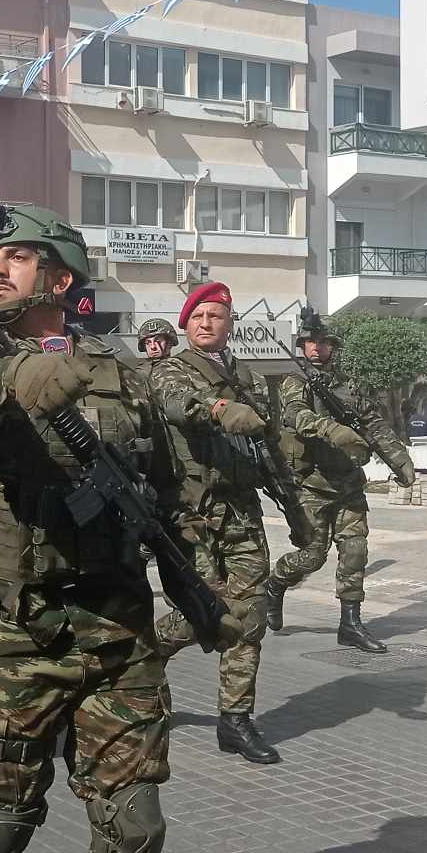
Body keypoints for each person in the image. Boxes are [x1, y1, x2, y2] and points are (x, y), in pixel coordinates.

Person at [0, 204, 177, 853]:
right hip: (22, 632)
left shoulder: (118, 368)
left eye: (16, 257)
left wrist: (204, 586)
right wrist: (22, 375)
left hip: (119, 630)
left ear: (61, 279)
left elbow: (168, 483)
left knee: (136, 829)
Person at [147, 283, 285, 765]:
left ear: (230, 324)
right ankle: (143, 656)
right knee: (204, 612)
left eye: (216, 316)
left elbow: (269, 444)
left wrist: (295, 505)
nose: (206, 323)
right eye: (198, 316)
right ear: (186, 324)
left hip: (241, 510)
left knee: (251, 615)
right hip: (192, 514)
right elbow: (177, 404)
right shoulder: (170, 370)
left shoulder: (248, 376)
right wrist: (221, 409)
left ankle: (235, 720)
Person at [263, 309, 416, 653]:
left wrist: (400, 461)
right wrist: (332, 429)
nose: (315, 349)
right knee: (312, 557)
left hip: (348, 484)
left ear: (333, 347)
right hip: (312, 484)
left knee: (355, 551)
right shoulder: (295, 382)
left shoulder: (349, 387)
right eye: (309, 343)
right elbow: (296, 415)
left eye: (322, 343)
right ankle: (276, 584)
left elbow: (373, 424)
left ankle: (350, 623)